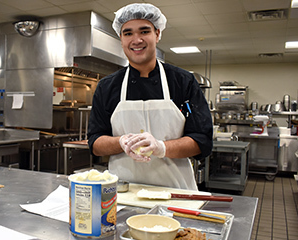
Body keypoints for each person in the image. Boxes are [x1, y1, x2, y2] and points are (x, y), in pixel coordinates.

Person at [86, 3, 212, 190]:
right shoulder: (107, 86)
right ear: (121, 38)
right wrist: (121, 142)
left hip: (175, 191)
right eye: (128, 33)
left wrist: (161, 147)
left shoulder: (183, 81)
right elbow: (95, 142)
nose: (136, 40)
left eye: (144, 31)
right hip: (123, 191)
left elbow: (202, 140)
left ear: (157, 34)